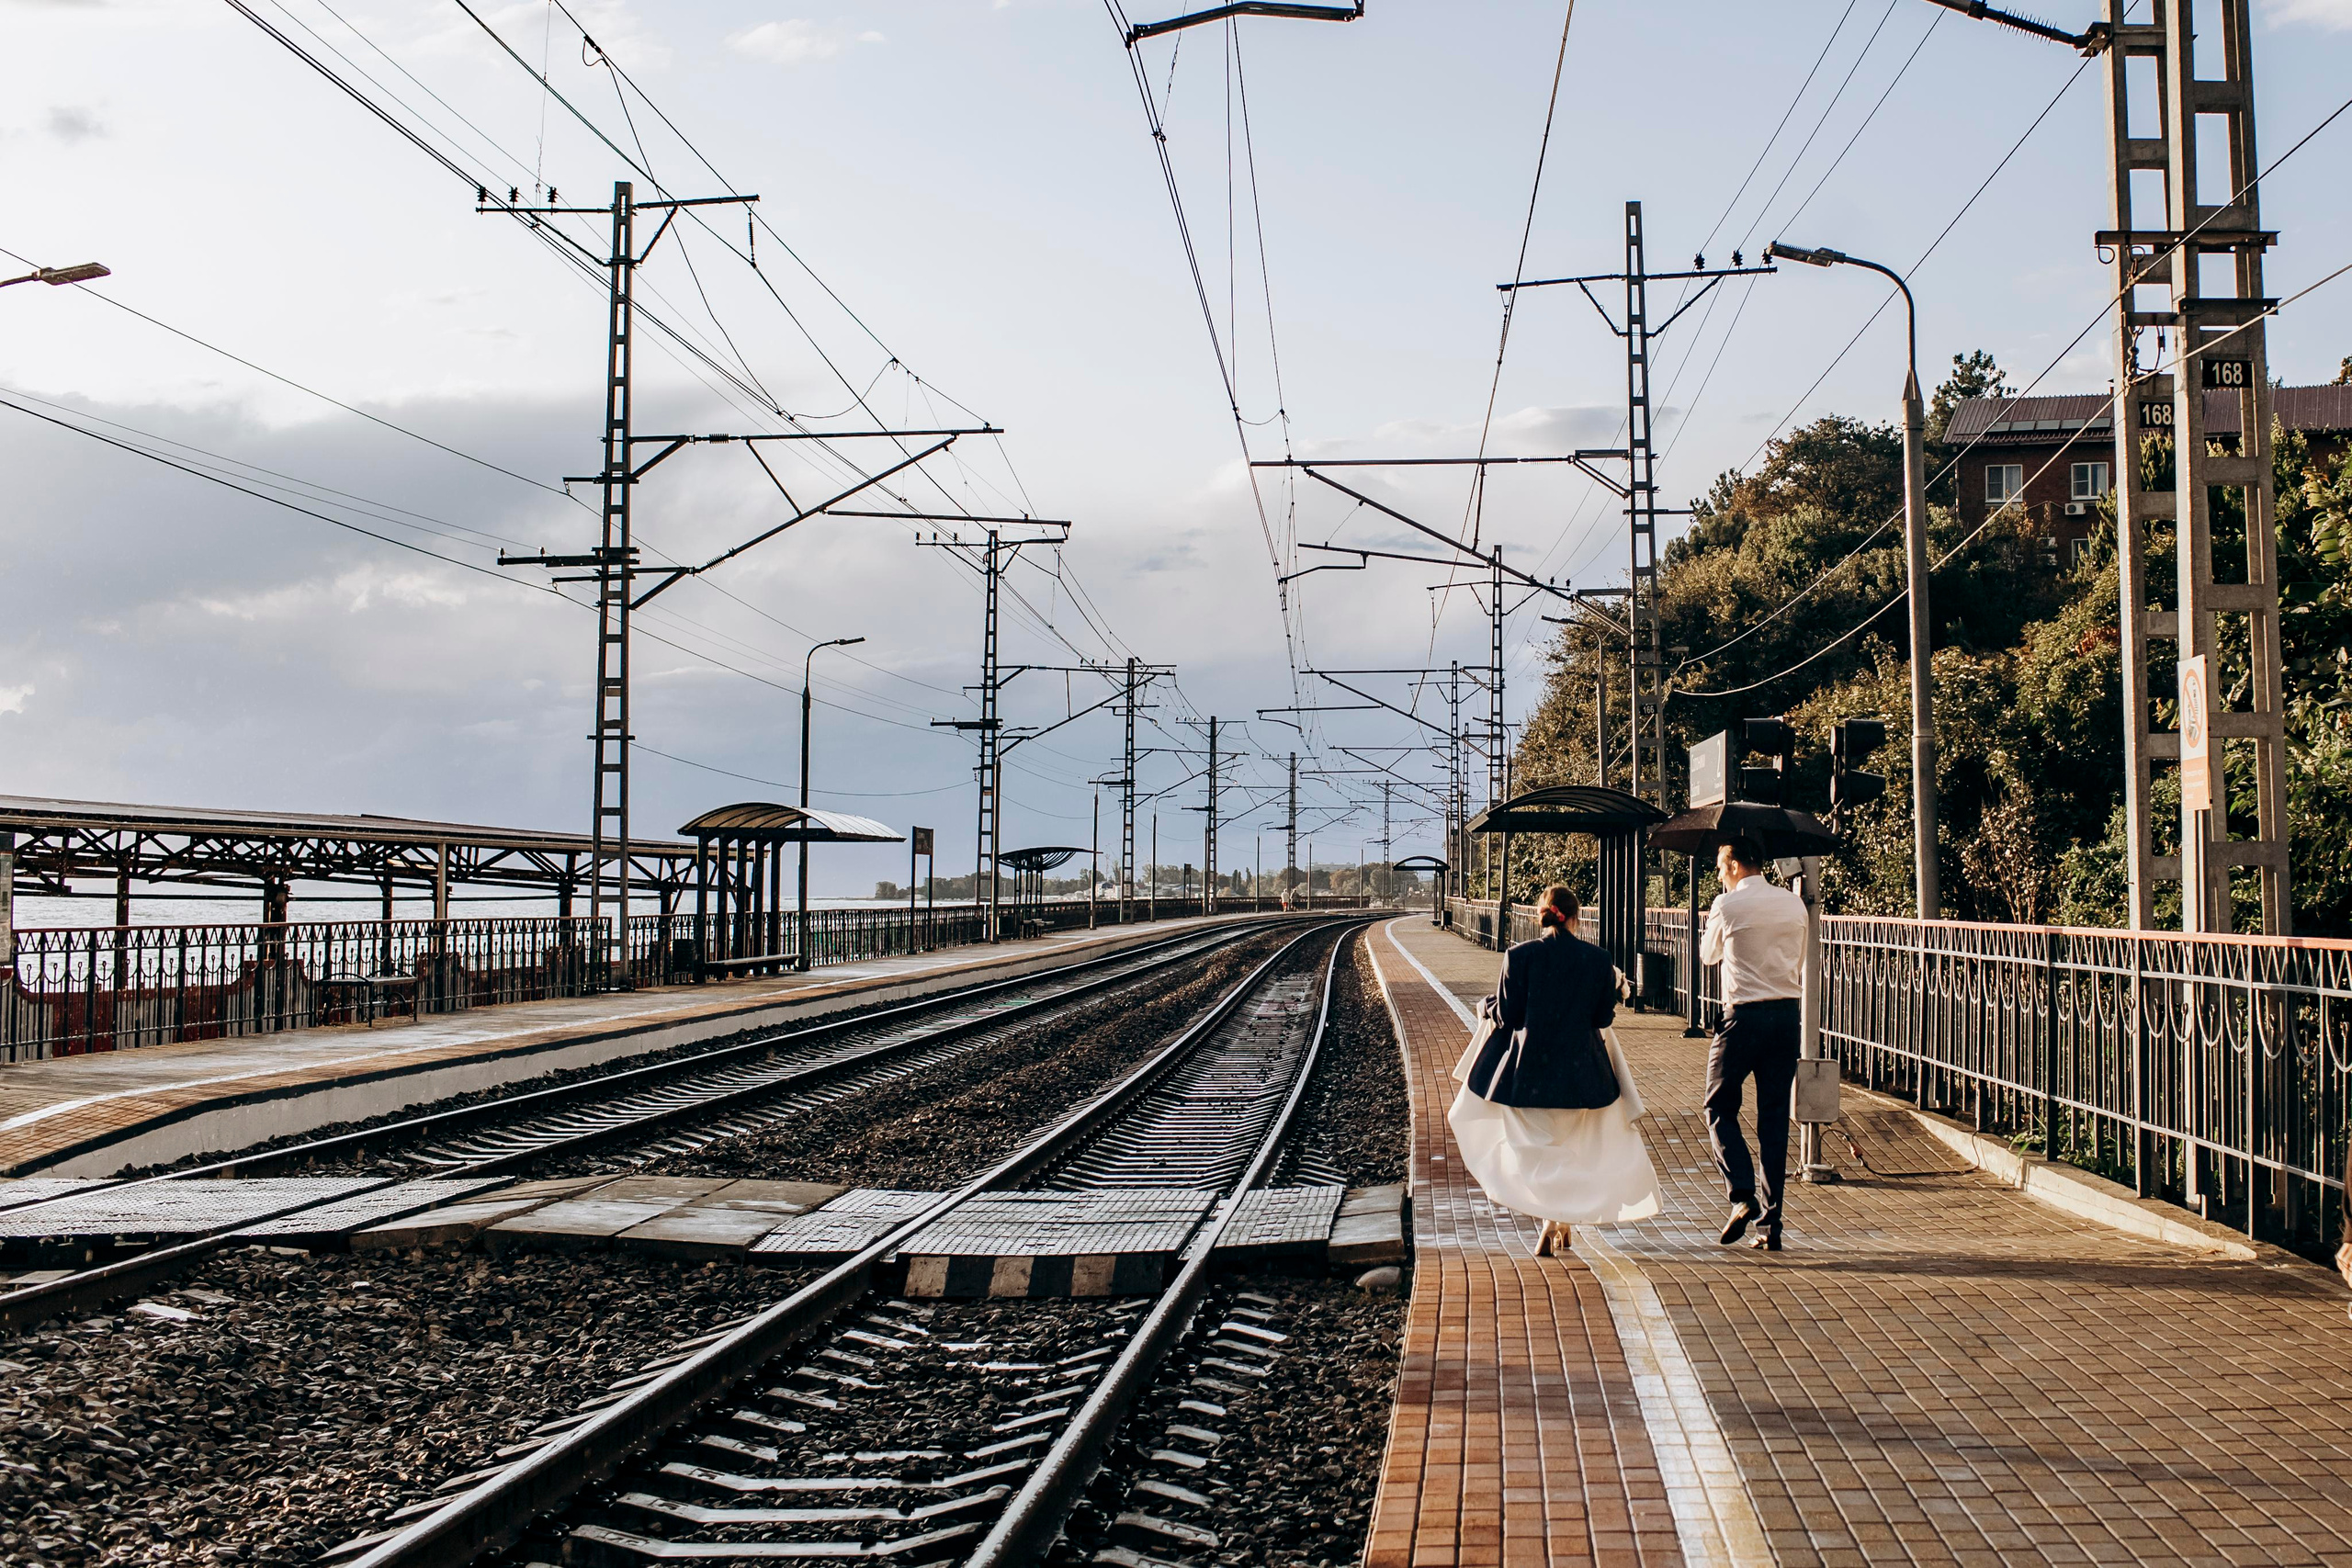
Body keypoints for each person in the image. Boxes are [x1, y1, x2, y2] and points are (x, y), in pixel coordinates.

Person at [1448, 884, 1661, 1257]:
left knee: (1535, 1153)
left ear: (1540, 915)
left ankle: (1551, 1219)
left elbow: (1510, 1016)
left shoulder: (1519, 955)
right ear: (1577, 918)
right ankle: (1558, 1221)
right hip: (1584, 1076)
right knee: (1574, 1150)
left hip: (1527, 1076)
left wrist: (1487, 1006)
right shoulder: (1599, 959)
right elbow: (1601, 1017)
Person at [1700, 836, 1808, 1252]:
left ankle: (1742, 1194)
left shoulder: (1726, 906)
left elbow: (1709, 956)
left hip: (1741, 1017)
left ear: (1733, 865)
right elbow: (1797, 960)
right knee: (1774, 1118)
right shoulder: (1793, 904)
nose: (1719, 874)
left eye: (1719, 867)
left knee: (1718, 1105)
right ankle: (1771, 1225)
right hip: (1785, 1016)